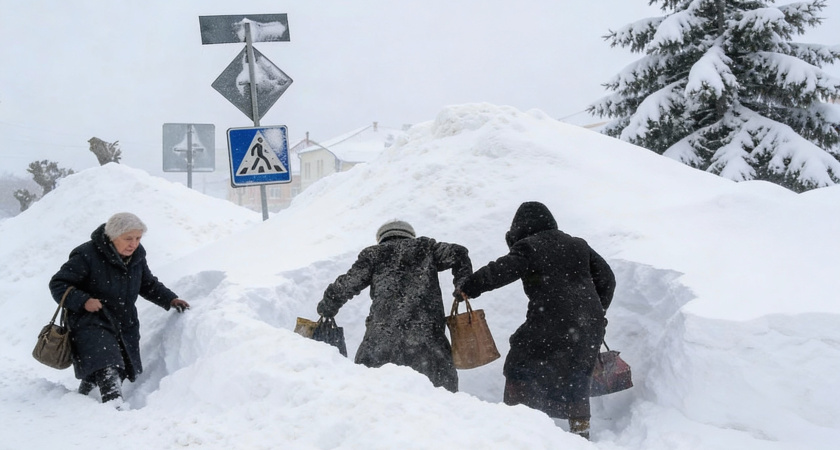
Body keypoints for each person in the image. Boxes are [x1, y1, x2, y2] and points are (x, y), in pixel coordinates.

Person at [455, 202, 615, 440]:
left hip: (554, 319)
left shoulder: (530, 246)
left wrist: (468, 286)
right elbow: (607, 278)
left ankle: (512, 427)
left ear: (521, 229)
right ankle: (581, 433)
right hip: (589, 324)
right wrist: (594, 311)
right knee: (578, 375)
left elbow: (500, 270)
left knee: (519, 362)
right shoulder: (578, 244)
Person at [49, 212, 190, 406]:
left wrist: (171, 299)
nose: (134, 244)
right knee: (108, 364)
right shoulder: (87, 254)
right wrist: (83, 300)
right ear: (113, 236)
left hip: (124, 322)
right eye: (128, 239)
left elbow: (147, 284)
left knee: (117, 367)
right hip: (91, 321)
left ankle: (82, 399)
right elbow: (58, 284)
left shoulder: (137, 256)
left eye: (138, 238)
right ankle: (114, 407)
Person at [317, 220, 472, 392]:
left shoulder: (374, 254)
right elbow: (459, 253)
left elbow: (346, 284)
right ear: (410, 236)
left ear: (381, 238)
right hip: (427, 343)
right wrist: (462, 285)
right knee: (439, 401)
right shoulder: (426, 248)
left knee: (373, 398)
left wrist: (328, 306)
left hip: (382, 343)